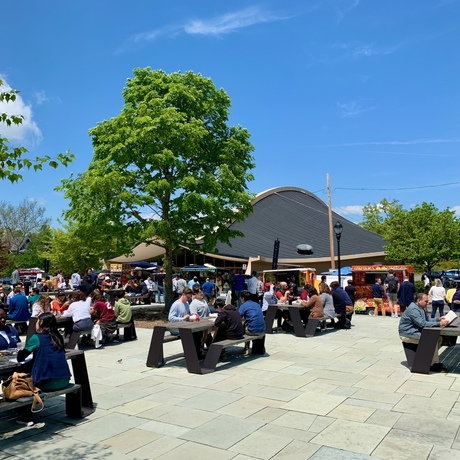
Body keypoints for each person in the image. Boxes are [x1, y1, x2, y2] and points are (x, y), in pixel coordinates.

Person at [16, 312, 71, 426]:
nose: (36, 323)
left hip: (47, 382)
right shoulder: (58, 337)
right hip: (64, 379)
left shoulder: (36, 338)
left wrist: (19, 351)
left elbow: (20, 358)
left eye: (37, 321)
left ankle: (26, 416)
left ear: (41, 322)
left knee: (24, 381)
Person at [399, 293, 449, 372]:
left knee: (439, 338)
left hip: (415, 332)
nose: (428, 303)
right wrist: (439, 324)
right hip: (408, 334)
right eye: (426, 301)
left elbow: (427, 320)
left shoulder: (420, 308)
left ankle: (431, 359)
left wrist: (438, 319)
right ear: (419, 301)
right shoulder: (413, 309)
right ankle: (432, 364)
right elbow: (422, 324)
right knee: (432, 340)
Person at [239, 290, 265, 354]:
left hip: (252, 331)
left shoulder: (243, 305)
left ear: (243, 298)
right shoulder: (257, 304)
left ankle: (246, 348)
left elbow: (238, 317)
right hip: (263, 330)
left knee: (244, 324)